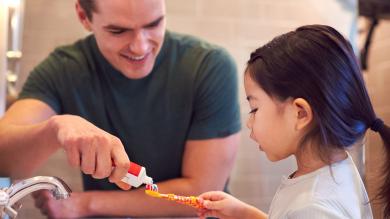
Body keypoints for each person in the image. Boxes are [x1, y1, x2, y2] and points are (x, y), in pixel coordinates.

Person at [0, 0, 241, 218]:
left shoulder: (208, 66)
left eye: (154, 24)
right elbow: (3, 159)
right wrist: (55, 129)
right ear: (84, 17)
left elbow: (201, 192)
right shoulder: (64, 69)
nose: (140, 46)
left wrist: (84, 204)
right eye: (118, 31)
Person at [198, 24, 390, 219]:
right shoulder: (335, 171)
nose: (249, 123)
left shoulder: (314, 207)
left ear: (300, 114)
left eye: (255, 109)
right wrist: (243, 213)